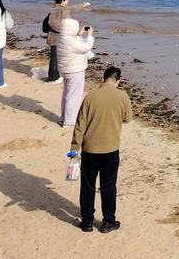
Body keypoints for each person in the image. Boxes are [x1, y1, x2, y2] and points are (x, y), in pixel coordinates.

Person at [71, 65, 133, 233]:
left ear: (103, 79)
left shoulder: (90, 97)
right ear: (118, 81)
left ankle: (87, 221)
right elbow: (128, 118)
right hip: (110, 149)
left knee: (87, 186)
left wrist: (74, 149)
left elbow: (79, 126)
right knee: (108, 186)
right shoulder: (122, 96)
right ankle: (108, 221)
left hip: (89, 150)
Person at [56, 17, 94, 129]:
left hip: (66, 69)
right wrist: (89, 36)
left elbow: (74, 42)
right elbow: (86, 47)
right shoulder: (71, 41)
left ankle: (64, 117)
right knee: (74, 96)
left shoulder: (62, 38)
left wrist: (79, 34)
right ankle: (70, 121)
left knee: (67, 94)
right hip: (74, 70)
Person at [46, 0, 90, 84]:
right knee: (55, 58)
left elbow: (73, 9)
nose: (68, 0)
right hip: (55, 38)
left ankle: (56, 76)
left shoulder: (64, 8)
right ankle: (52, 78)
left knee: (58, 58)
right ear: (62, 0)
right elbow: (52, 23)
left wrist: (83, 5)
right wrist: (64, 30)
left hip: (61, 38)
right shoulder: (57, 9)